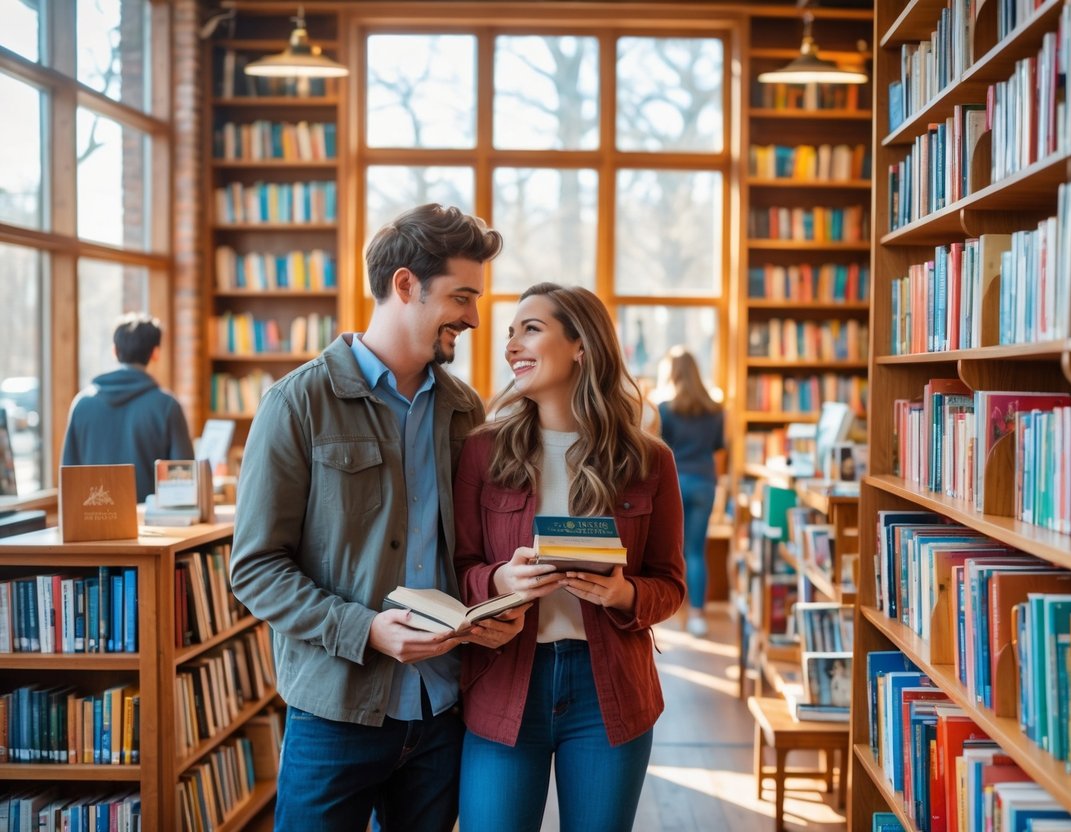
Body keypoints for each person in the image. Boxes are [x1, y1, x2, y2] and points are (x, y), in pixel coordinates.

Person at [228, 204, 522, 832]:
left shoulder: (465, 411)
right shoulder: (297, 403)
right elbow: (255, 569)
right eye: (462, 296)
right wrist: (366, 630)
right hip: (336, 713)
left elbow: (472, 553)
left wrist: (492, 605)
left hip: (443, 711)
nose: (474, 318)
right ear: (405, 285)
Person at [453, 283, 686, 832]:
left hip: (609, 693)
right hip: (504, 680)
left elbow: (671, 585)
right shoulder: (482, 451)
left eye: (530, 329)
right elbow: (457, 569)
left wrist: (625, 594)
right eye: (510, 333)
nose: (511, 344)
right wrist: (498, 580)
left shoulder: (649, 459)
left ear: (581, 345)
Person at [61, 312, 193, 502]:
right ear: (155, 353)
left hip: (92, 525)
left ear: (114, 351)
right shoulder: (166, 406)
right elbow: (182, 480)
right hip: (151, 525)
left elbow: (68, 478)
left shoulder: (82, 404)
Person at [656, 346, 724, 638]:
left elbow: (659, 451)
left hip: (675, 483)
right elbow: (719, 448)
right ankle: (698, 616)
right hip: (705, 483)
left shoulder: (666, 409)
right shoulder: (715, 410)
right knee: (696, 551)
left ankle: (671, 610)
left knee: (669, 549)